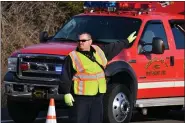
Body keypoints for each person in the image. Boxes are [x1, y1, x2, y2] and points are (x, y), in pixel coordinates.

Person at [59, 31, 137, 123]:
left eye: (83, 41)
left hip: (98, 96)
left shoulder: (99, 51)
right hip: (81, 98)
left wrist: (126, 41)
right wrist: (66, 93)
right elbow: (65, 76)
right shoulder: (73, 57)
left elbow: (113, 48)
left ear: (90, 41)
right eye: (79, 41)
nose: (80, 43)